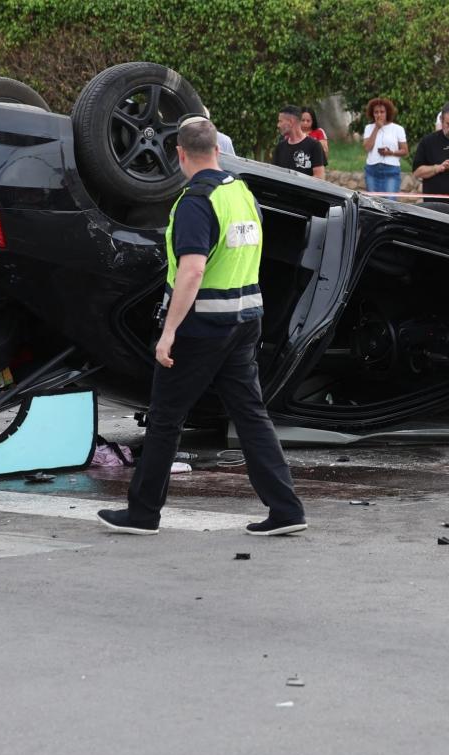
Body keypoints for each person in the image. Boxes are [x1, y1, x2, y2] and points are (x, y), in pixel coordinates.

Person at [96, 115, 306, 538]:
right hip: (245, 319)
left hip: (203, 326)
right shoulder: (240, 192)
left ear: (178, 154)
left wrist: (170, 331)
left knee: (166, 419)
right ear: (217, 149)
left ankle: (142, 514)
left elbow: (192, 271)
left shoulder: (195, 201)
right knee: (250, 416)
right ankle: (286, 509)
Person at [361, 97, 408, 193]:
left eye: (382, 112)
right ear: (372, 113)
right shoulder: (369, 128)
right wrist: (376, 128)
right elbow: (367, 147)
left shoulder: (397, 129)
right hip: (372, 170)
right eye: (376, 112)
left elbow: (405, 150)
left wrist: (391, 152)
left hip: (391, 170)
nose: (379, 115)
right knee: (373, 203)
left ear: (387, 113)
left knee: (390, 203)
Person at [271, 105, 326, 179]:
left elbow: (319, 177)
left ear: (290, 122)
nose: (278, 125)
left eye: (280, 121)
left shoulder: (314, 146)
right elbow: (274, 175)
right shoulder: (279, 147)